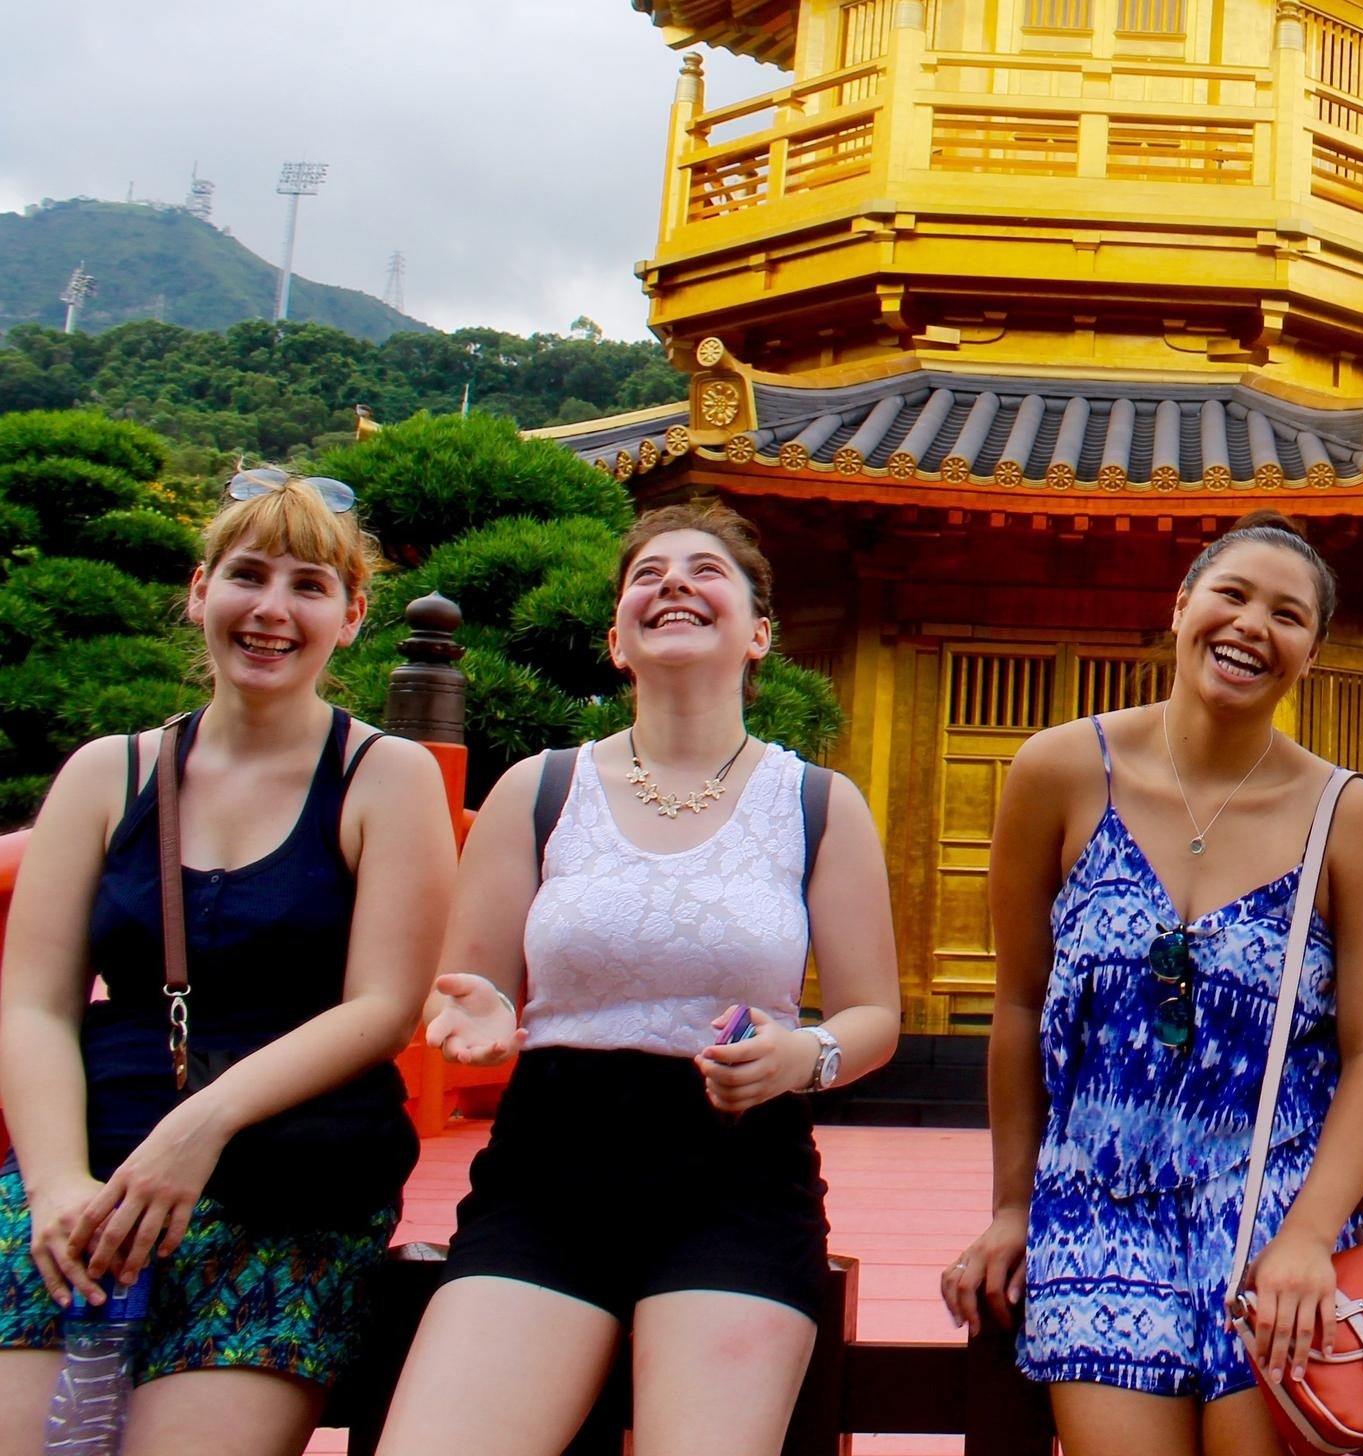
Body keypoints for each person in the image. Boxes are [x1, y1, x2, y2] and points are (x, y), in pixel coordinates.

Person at [374, 502, 899, 1456]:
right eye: (647, 575)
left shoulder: (817, 802)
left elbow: (873, 1017)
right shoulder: (539, 789)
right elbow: (471, 979)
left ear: (760, 634)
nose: (673, 584)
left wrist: (802, 1055)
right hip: (549, 1166)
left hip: (734, 1172)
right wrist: (485, 1009)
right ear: (617, 639)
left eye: (706, 571)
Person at [0, 469, 457, 1456]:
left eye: (309, 584)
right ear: (202, 590)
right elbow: (33, 1005)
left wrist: (198, 1126)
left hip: (286, 1182)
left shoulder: (386, 777)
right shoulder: (105, 772)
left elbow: (383, 1006)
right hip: (91, 1169)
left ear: (352, 615)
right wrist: (52, 1186)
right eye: (249, 574)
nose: (272, 607)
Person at [942, 510, 1363, 1456]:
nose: (1251, 626)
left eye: (1287, 615)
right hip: (1096, 1192)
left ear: (1310, 654)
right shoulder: (1060, 771)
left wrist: (1309, 1237)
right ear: (1180, 607)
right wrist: (1009, 1207)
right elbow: (1022, 1005)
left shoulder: (1348, 817)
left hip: (1272, 1203)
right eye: (1231, 594)